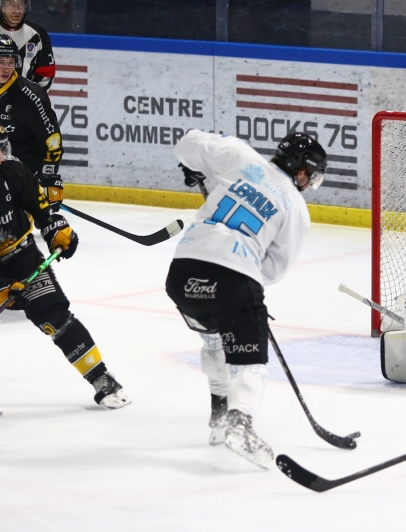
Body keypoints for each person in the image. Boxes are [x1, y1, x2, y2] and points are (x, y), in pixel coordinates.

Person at [165, 129, 326, 469]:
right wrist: (245, 294)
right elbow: (273, 270)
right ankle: (240, 423)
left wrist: (194, 166)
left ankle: (219, 415)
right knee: (249, 362)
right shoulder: (296, 209)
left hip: (181, 276)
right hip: (234, 279)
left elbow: (187, 143)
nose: (308, 183)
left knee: (214, 343)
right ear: (301, 172)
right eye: (310, 176)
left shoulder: (240, 156)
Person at [0, 126, 130, 408]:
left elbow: (41, 209)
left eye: (2, 147)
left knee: (55, 315)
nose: (2, 155)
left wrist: (56, 230)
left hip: (21, 256)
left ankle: (101, 377)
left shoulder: (12, 171)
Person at [0, 34, 62, 210]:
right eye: (1, 62)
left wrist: (48, 176)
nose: (6, 68)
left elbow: (52, 139)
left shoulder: (31, 96)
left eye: (10, 62)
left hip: (21, 171)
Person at [1, 0, 56, 91]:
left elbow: (46, 74)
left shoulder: (37, 35)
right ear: (1, 6)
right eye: (11, 4)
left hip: (23, 103)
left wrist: (32, 99)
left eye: (21, 4)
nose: (17, 10)